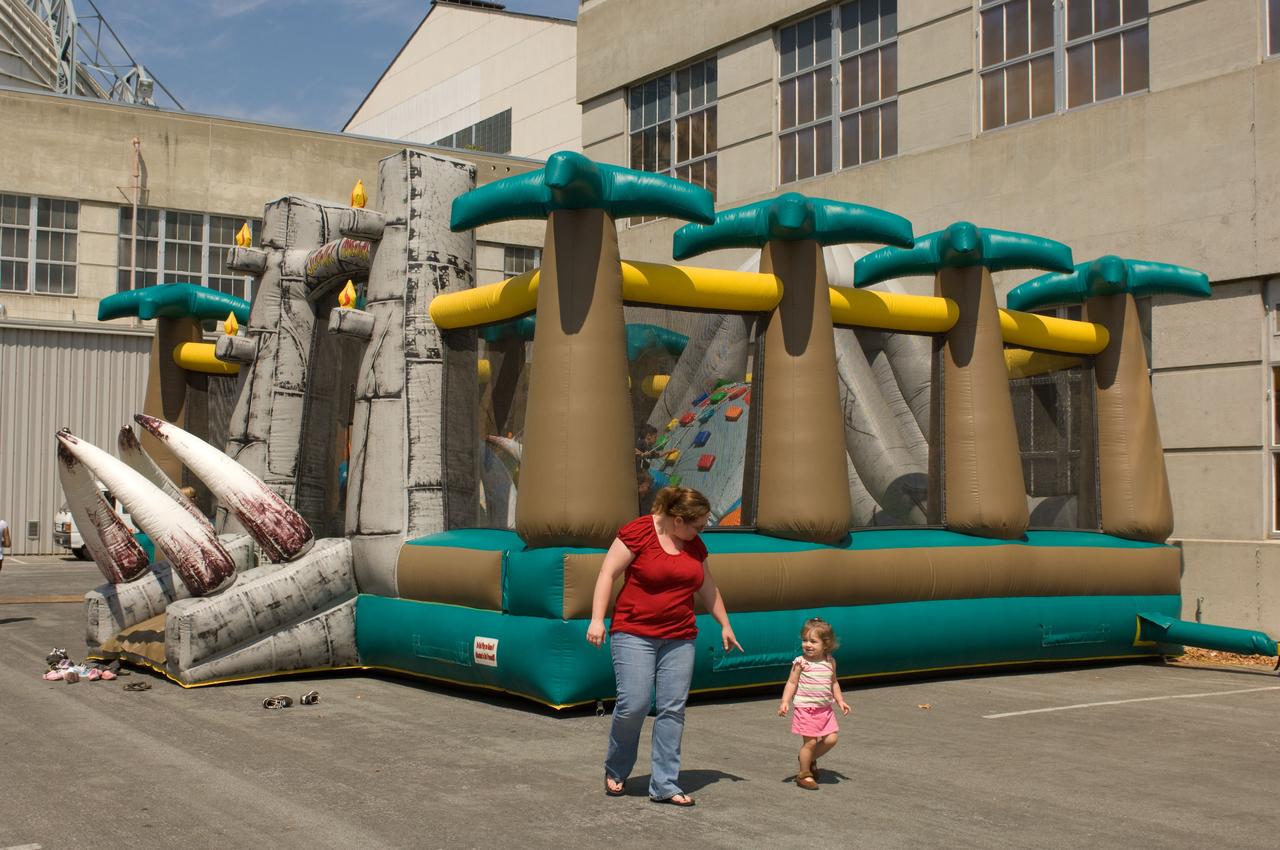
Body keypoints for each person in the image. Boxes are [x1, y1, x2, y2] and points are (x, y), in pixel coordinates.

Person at [586, 486, 742, 807]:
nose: (700, 533)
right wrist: (597, 619)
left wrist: (725, 624)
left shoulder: (694, 545)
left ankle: (665, 783)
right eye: (696, 526)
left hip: (680, 635)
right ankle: (616, 768)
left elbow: (707, 586)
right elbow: (607, 573)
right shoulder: (639, 531)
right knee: (635, 703)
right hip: (634, 632)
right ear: (676, 519)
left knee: (673, 708)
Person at [777, 617, 851, 790]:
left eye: (813, 641)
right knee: (810, 743)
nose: (807, 645)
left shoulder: (830, 661)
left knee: (831, 739)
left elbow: (834, 683)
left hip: (825, 709)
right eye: (805, 640)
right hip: (806, 709)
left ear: (826, 644)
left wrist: (840, 700)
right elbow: (791, 683)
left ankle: (807, 757)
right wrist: (785, 701)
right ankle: (804, 774)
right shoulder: (801, 663)